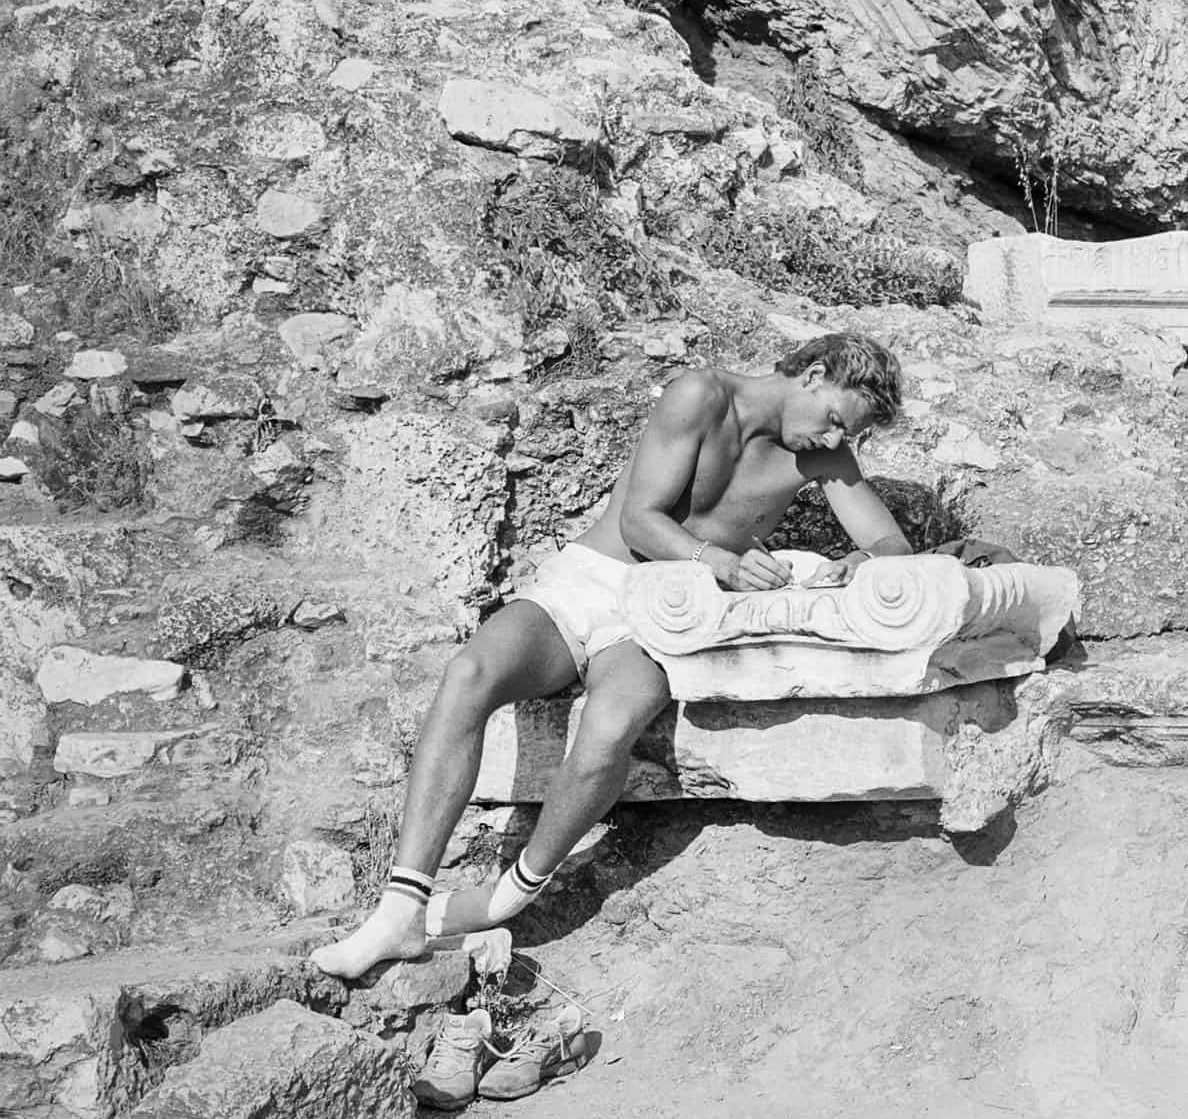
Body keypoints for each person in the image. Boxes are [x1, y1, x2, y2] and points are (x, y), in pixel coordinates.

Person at [310, 331, 912, 984]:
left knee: (610, 727)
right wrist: (726, 564)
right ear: (816, 373)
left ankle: (505, 899)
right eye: (833, 422)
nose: (832, 443)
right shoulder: (701, 397)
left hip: (665, 614)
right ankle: (400, 908)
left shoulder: (819, 456)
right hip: (598, 577)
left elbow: (891, 542)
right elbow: (639, 521)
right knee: (470, 672)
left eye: (843, 436)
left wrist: (859, 562)